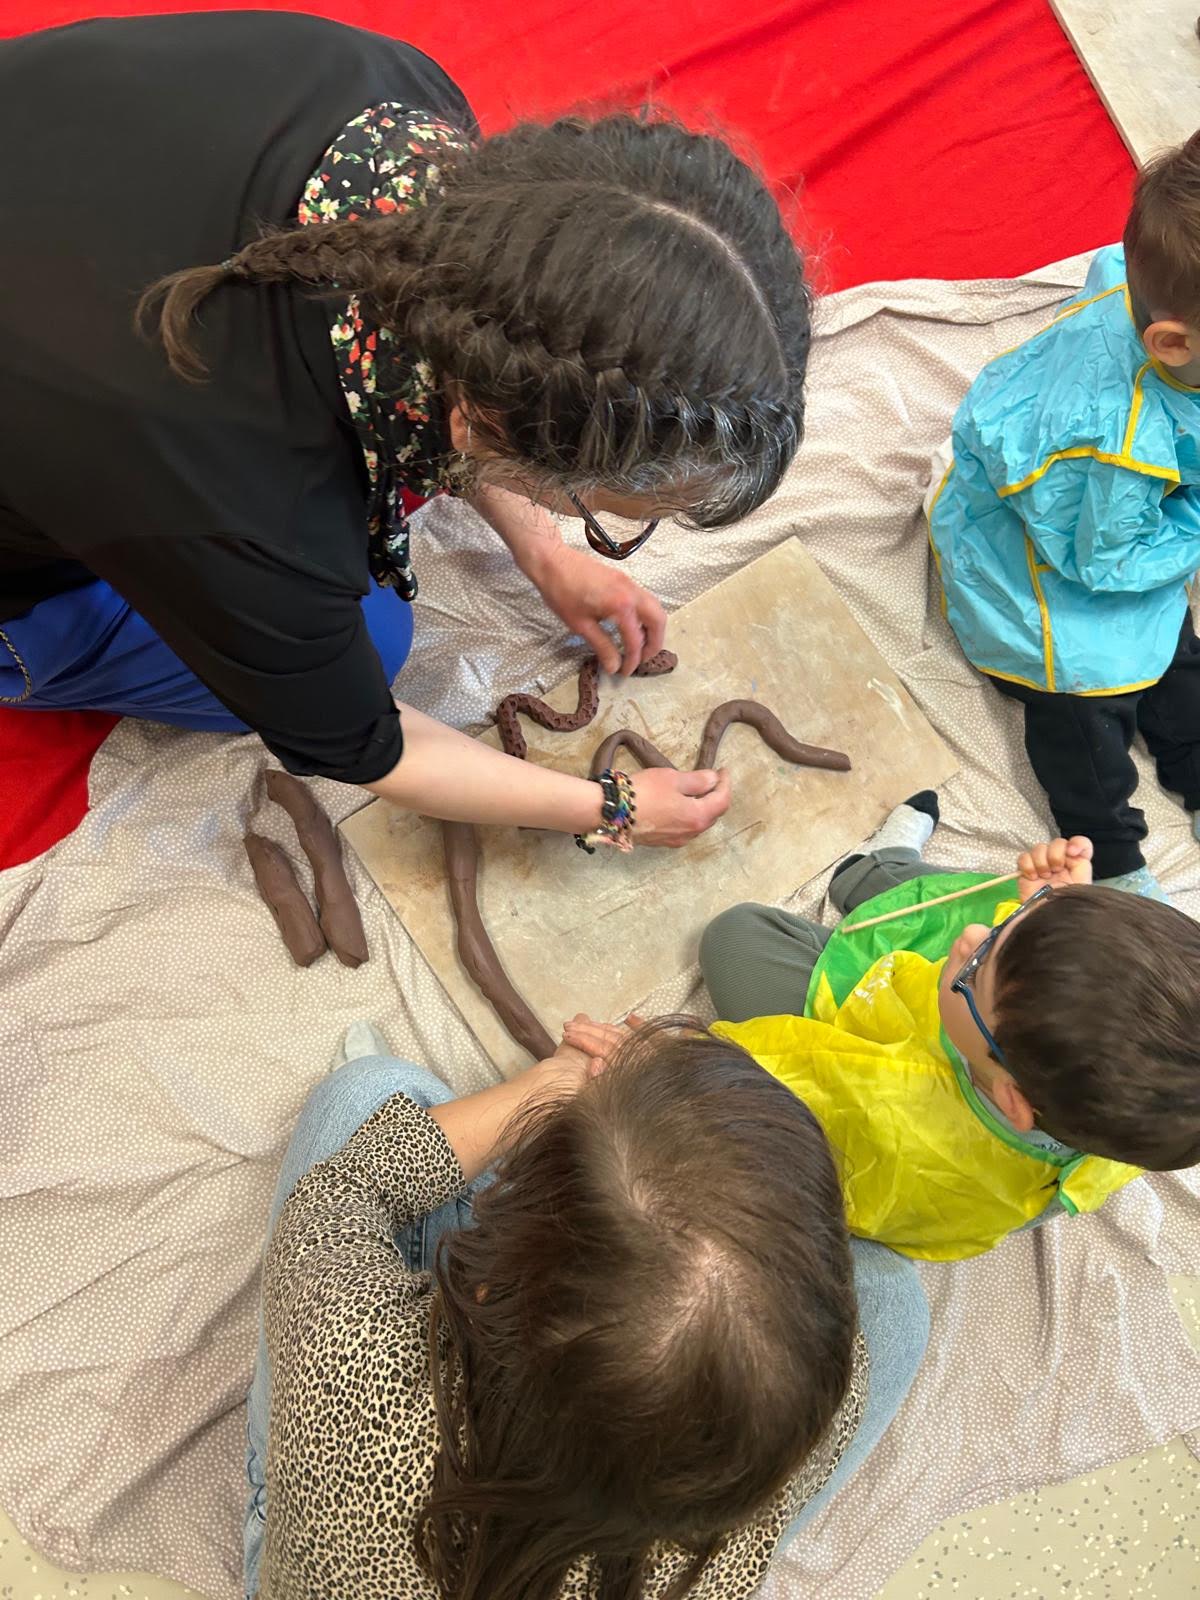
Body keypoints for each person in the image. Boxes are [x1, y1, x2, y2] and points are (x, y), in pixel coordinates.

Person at [0, 13, 813, 852]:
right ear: (484, 425)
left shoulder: (397, 92)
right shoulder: (249, 510)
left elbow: (497, 348)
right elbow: (362, 744)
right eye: (601, 515)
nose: (586, 521)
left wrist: (545, 553)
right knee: (376, 635)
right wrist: (612, 809)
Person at [244, 1018, 929, 1600]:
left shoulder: (350, 1366)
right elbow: (815, 1345)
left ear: (483, 1289)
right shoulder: (762, 1495)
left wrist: (546, 1088)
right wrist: (711, 1143)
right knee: (894, 1299)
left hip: (326, 1533)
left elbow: (338, 1196)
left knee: (367, 1093)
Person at [698, 796, 1200, 1262]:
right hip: (968, 1022)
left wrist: (688, 1066)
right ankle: (880, 870)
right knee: (956, 910)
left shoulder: (911, 1137)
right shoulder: (1149, 1106)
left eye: (978, 965)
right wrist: (1057, 907)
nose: (970, 937)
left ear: (1012, 1099)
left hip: (882, 1049)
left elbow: (788, 1094)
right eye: (1004, 927)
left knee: (735, 936)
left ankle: (877, 873)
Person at [925, 131, 1200, 898]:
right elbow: (1106, 561)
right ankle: (1111, 855)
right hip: (1042, 575)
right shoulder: (1125, 448)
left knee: (1182, 674)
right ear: (1171, 342)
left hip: (1107, 529)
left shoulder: (1136, 280)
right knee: (1083, 725)